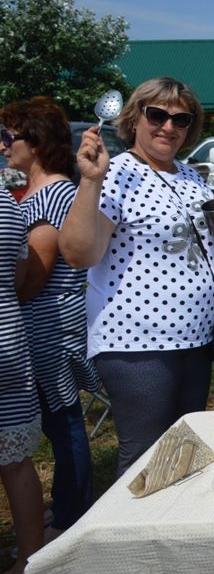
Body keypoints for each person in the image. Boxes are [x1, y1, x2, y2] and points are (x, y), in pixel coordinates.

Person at [59, 77, 214, 477]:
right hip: (138, 342)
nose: (169, 126)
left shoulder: (190, 175)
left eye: (180, 119)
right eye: (157, 115)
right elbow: (80, 253)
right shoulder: (117, 173)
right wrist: (91, 180)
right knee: (145, 455)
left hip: (195, 337)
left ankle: (172, 531)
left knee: (183, 450)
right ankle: (125, 537)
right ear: (135, 118)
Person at [2, 98, 101, 536]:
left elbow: (32, 280)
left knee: (64, 425)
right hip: (51, 323)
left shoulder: (50, 196)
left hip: (48, 326)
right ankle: (69, 508)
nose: (4, 147)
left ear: (35, 143)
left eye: (9, 137)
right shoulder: (53, 192)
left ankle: (71, 517)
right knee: (64, 424)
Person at [0, 189, 44, 574]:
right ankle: (30, 557)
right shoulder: (8, 204)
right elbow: (17, 274)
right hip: (8, 334)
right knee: (16, 460)